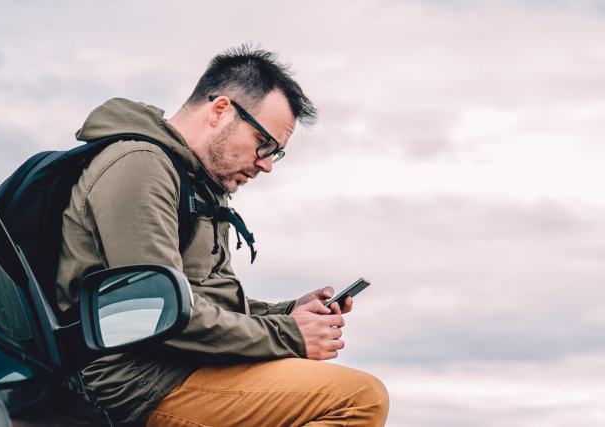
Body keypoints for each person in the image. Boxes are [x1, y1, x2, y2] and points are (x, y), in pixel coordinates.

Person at [54, 46, 388, 427]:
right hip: (139, 382)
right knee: (359, 398)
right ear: (220, 111)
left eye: (275, 154)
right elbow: (157, 313)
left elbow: (202, 299)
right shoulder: (140, 167)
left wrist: (286, 312)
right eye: (265, 144)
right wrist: (289, 334)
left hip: (182, 369)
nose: (266, 164)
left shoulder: (198, 184)